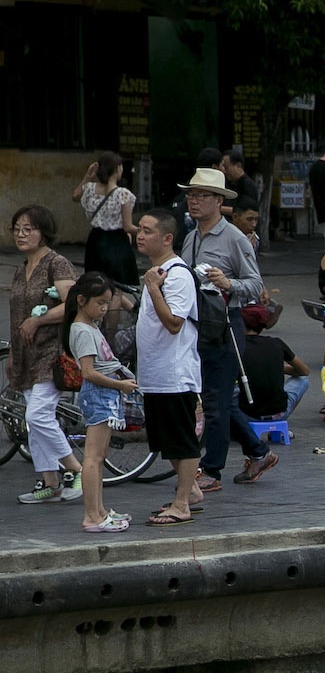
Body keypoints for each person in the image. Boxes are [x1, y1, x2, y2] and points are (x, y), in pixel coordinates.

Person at [178, 166, 277, 489]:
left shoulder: (235, 238)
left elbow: (255, 285)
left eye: (202, 196)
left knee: (215, 401)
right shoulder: (191, 237)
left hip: (225, 323)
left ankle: (211, 469)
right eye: (191, 195)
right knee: (219, 399)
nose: (194, 201)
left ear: (219, 201)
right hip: (198, 323)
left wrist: (228, 282)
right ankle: (258, 451)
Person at [134, 209, 205, 527]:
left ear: (167, 238)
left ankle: (181, 504)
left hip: (175, 374)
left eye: (148, 230)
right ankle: (190, 491)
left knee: (181, 439)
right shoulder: (157, 272)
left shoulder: (176, 274)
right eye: (139, 229)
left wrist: (151, 288)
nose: (140, 234)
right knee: (164, 439)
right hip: (155, 374)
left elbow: (175, 323)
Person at [9, 212, 85, 507]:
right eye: (17, 229)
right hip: (26, 353)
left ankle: (75, 468)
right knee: (35, 421)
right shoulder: (20, 268)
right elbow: (18, 316)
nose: (21, 234)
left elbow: (72, 305)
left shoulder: (57, 263)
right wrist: (14, 355)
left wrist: (37, 322)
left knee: (37, 415)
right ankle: (49, 481)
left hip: (52, 352)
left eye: (29, 229)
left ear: (44, 232)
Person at [61, 274, 138, 532]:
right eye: (100, 303)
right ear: (82, 301)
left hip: (104, 393)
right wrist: (120, 385)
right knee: (92, 458)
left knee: (99, 456)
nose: (105, 309)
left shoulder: (90, 326)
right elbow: (89, 372)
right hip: (99, 393)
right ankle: (91, 515)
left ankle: (100, 510)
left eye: (107, 303)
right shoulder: (81, 330)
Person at [73, 152, 139, 283]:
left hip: (95, 240)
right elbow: (128, 227)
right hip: (116, 241)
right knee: (116, 286)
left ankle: (123, 305)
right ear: (117, 169)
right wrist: (145, 231)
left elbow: (75, 196)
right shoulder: (123, 194)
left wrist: (87, 176)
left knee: (97, 284)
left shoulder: (90, 189)